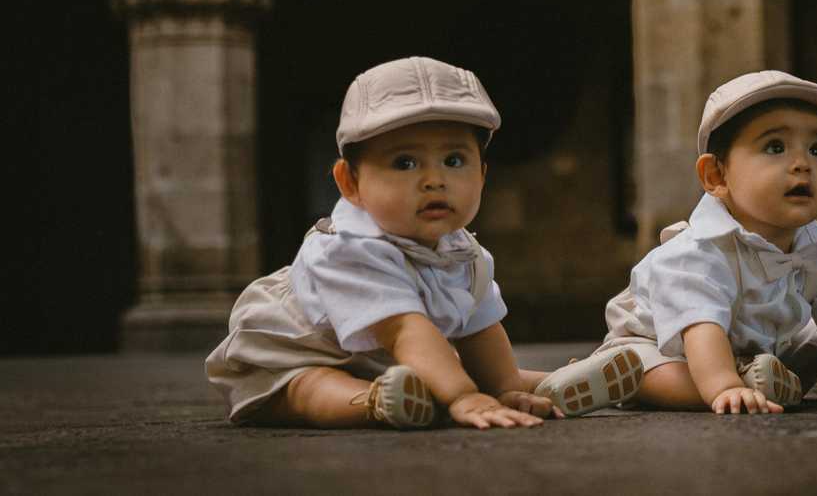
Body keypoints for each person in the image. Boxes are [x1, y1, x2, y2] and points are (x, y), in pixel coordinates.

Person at [205, 57, 640, 429]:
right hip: (297, 355)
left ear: (482, 176)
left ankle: (544, 387)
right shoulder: (348, 249)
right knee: (310, 389)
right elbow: (403, 330)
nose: (434, 180)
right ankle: (376, 404)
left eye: (454, 160)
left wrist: (502, 388)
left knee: (474, 373)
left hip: (400, 362)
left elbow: (481, 330)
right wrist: (465, 397)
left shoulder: (466, 254)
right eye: (405, 162)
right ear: (350, 182)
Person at [541, 70, 817, 415]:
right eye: (776, 147)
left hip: (764, 349)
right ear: (716, 177)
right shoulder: (696, 253)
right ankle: (624, 380)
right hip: (667, 346)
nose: (802, 164)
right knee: (654, 374)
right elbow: (703, 331)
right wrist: (726, 386)